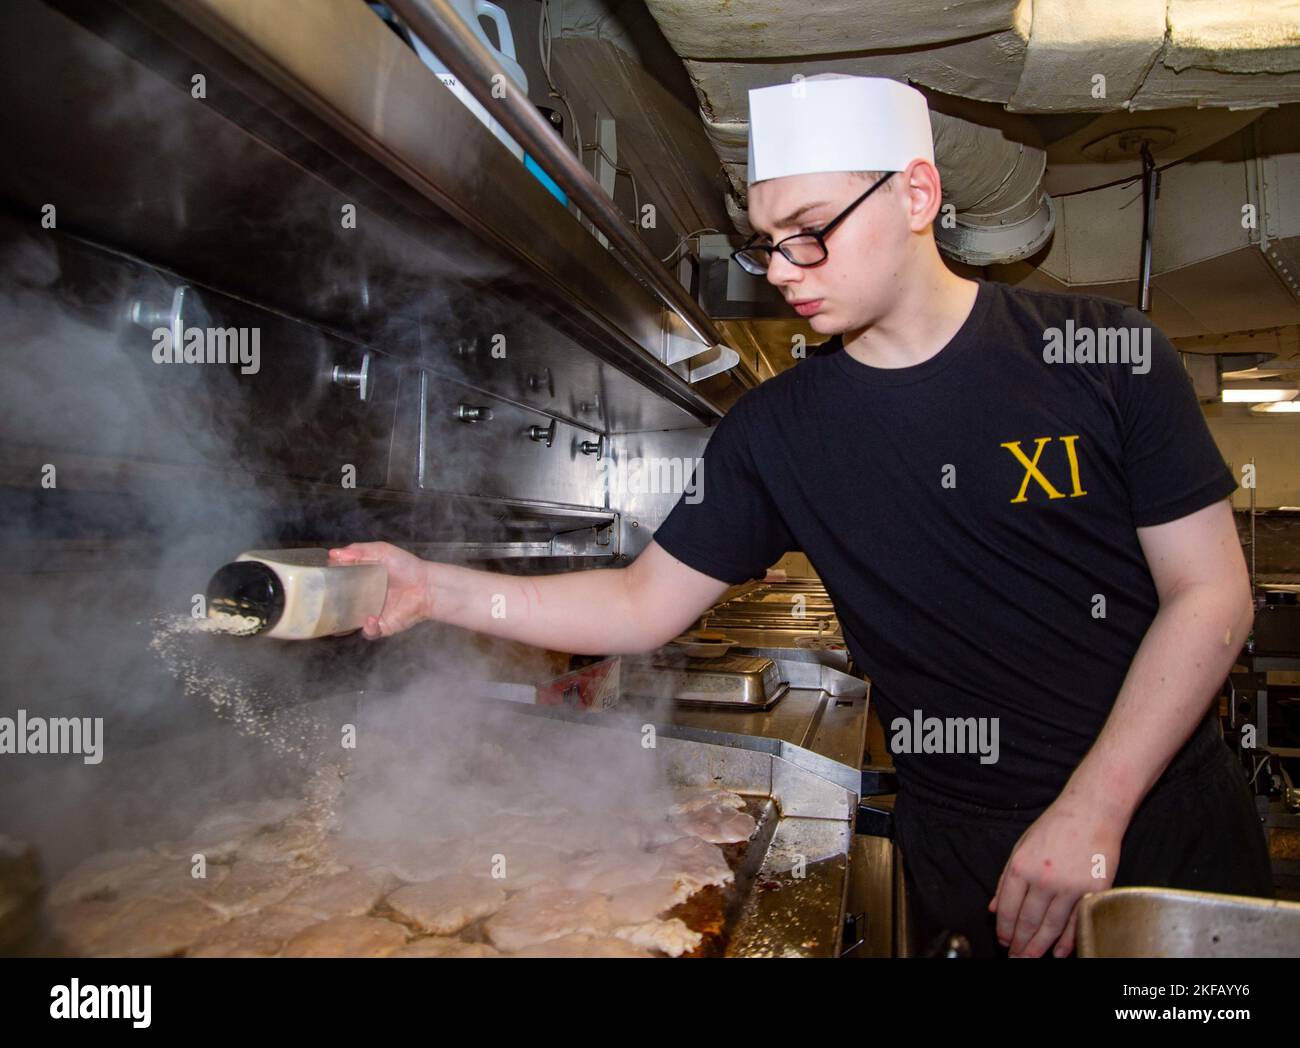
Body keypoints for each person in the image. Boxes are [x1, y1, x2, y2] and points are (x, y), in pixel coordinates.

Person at [332, 74, 1272, 957]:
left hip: (1158, 826)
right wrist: (431, 588)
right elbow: (636, 605)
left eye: (810, 230)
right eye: (765, 240)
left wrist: (1094, 808)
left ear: (915, 195)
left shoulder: (1106, 356)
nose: (782, 269)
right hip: (965, 849)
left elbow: (1210, 595)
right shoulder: (776, 432)